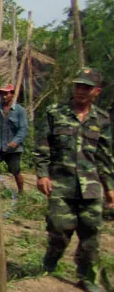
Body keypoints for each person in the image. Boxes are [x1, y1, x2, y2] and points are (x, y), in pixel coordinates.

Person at [33, 67, 114, 292]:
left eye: (86, 87)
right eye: (77, 86)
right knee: (59, 228)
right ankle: (51, 259)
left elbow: (104, 156)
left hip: (91, 186)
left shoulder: (103, 119)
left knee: (91, 233)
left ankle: (87, 276)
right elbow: (42, 146)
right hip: (61, 183)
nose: (80, 91)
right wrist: (42, 174)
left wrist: (110, 188)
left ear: (96, 91)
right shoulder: (55, 112)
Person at [0, 83, 28, 193]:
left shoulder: (19, 111)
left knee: (15, 170)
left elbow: (23, 129)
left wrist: (15, 141)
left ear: (12, 94)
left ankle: (21, 192)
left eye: (6, 94)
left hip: (13, 149)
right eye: (2, 94)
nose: (4, 96)